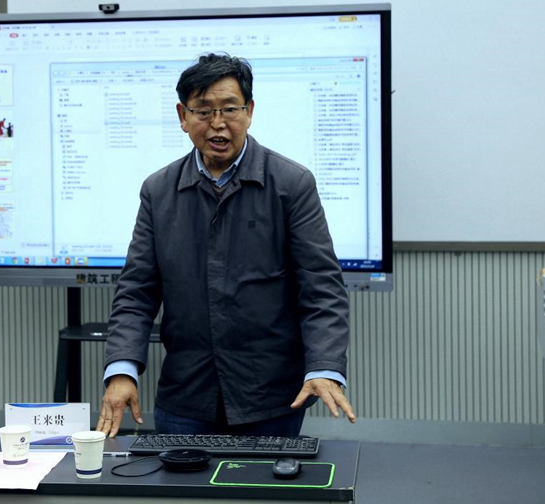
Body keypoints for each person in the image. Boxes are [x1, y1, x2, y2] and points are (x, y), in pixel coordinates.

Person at [97, 53, 355, 438]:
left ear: (249, 111)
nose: (218, 123)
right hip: (186, 394)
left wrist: (324, 366)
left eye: (230, 109)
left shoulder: (291, 184)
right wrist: (122, 369)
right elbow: (137, 291)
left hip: (269, 397)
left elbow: (321, 288)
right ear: (183, 116)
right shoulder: (159, 190)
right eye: (203, 111)